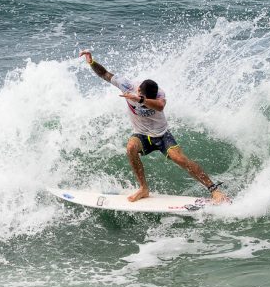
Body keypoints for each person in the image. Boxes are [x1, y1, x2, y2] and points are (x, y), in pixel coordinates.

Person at [79, 50, 228, 204]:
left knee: (180, 159)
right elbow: (104, 74)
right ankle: (143, 189)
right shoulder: (126, 85)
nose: (149, 99)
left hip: (162, 135)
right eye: (144, 96)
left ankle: (214, 190)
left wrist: (141, 99)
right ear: (138, 89)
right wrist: (91, 62)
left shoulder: (159, 94)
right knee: (130, 148)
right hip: (142, 134)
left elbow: (160, 106)